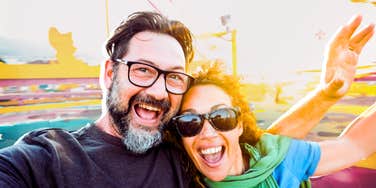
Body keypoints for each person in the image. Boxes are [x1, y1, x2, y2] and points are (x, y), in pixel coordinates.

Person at [0, 11, 372, 187]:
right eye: (143, 70)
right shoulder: (45, 160)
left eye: (173, 77)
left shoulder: (184, 149)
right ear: (109, 73)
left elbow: (259, 153)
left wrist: (328, 93)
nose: (159, 91)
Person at [169, 62, 376, 187]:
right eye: (190, 121)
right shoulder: (180, 181)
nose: (207, 132)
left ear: (239, 125)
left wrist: (328, 92)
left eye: (222, 117)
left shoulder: (280, 160)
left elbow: (355, 145)